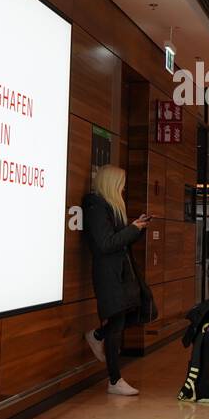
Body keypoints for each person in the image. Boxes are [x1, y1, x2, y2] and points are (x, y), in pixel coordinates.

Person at [81, 164, 151, 396]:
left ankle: (97, 335)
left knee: (129, 316)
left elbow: (120, 240)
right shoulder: (95, 205)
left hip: (121, 273)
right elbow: (105, 243)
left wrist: (137, 228)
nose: (124, 188)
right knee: (117, 322)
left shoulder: (110, 205)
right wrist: (132, 228)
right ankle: (114, 379)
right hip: (108, 274)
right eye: (120, 184)